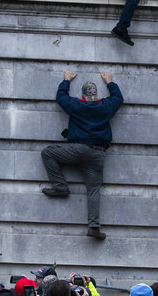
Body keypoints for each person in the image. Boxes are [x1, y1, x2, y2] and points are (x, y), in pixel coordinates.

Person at [40, 70, 124, 240]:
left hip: (77, 150)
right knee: (93, 190)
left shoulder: (78, 105)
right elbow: (118, 98)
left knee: (48, 152)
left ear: (83, 95)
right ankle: (94, 227)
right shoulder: (105, 106)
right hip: (98, 154)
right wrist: (110, 82)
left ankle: (61, 187)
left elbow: (61, 98)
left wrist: (66, 80)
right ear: (96, 95)